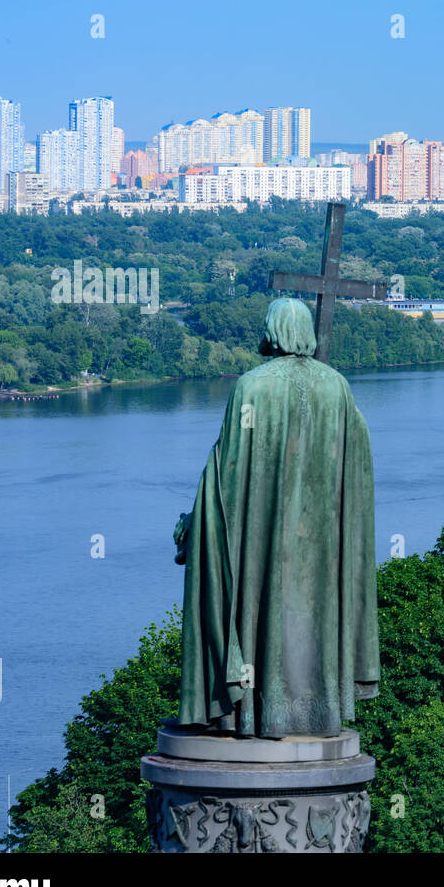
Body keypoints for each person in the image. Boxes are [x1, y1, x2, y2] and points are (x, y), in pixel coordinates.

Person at [175, 297, 379, 738]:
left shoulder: (252, 386)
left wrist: (197, 522)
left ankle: (251, 713)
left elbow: (226, 474)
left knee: (259, 613)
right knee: (312, 619)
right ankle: (317, 713)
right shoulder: (338, 387)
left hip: (261, 541)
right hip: (322, 544)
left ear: (272, 331)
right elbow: (356, 468)